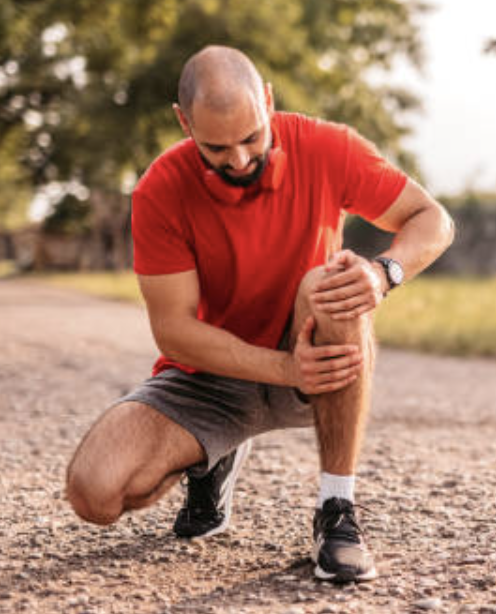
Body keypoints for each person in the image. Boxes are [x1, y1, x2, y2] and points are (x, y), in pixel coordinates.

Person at [66, 45, 454, 583]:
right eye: (216, 147)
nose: (240, 160)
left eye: (252, 137)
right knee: (95, 492)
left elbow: (431, 218)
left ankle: (336, 510)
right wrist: (279, 370)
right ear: (184, 123)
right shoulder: (160, 189)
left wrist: (383, 272)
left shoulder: (327, 146)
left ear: (268, 101)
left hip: (314, 354)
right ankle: (210, 460)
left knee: (334, 282)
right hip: (213, 379)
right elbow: (174, 332)